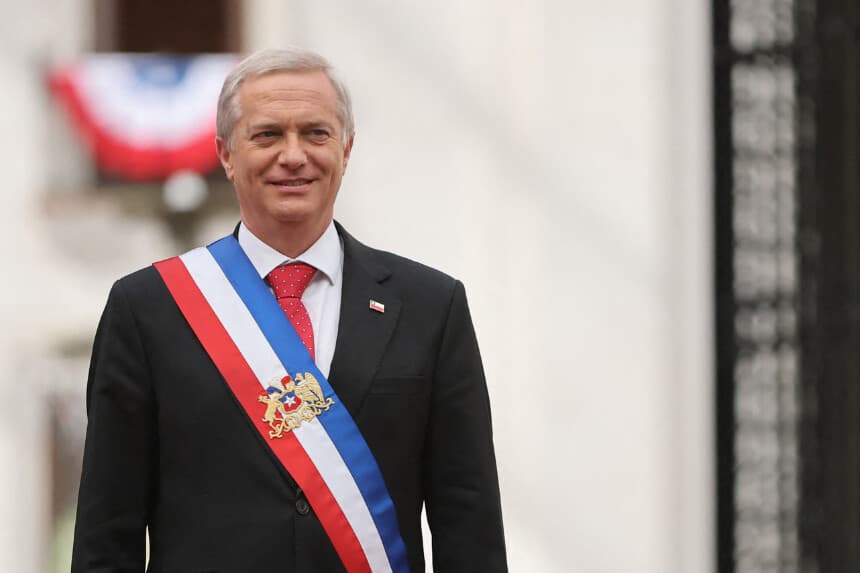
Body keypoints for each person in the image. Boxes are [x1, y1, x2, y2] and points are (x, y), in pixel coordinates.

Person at [71, 47, 507, 572]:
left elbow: (469, 524)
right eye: (268, 135)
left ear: (346, 150)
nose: (294, 155)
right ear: (226, 154)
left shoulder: (430, 306)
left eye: (316, 133)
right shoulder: (148, 309)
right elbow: (106, 533)